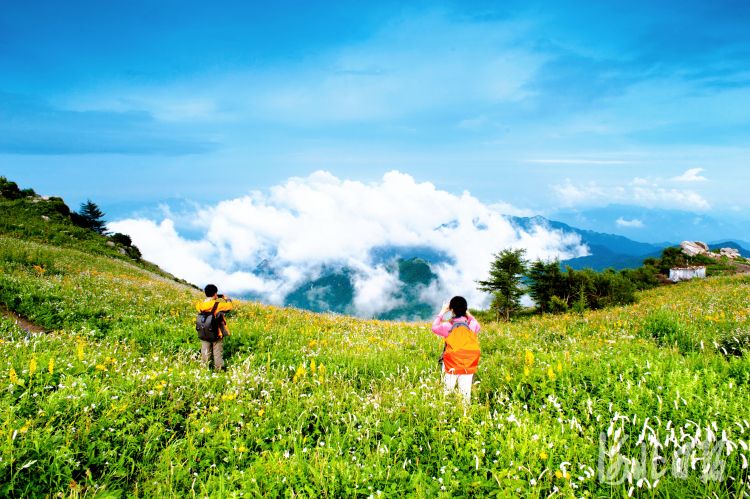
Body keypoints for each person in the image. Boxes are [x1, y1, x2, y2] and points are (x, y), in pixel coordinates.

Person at [431, 296, 481, 404]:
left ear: (452, 310)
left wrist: (442, 312)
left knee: (448, 391)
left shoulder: (447, 326)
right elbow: (478, 326)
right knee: (465, 393)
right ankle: (465, 414)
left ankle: (446, 412)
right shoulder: (471, 325)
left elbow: (434, 328)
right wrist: (467, 313)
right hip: (468, 362)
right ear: (465, 309)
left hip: (451, 363)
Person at [196, 284, 233, 371]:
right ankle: (219, 370)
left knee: (205, 352)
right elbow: (229, 307)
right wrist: (227, 299)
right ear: (215, 294)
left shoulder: (200, 305)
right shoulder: (218, 305)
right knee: (217, 353)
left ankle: (205, 369)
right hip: (217, 332)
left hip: (204, 332)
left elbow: (202, 308)